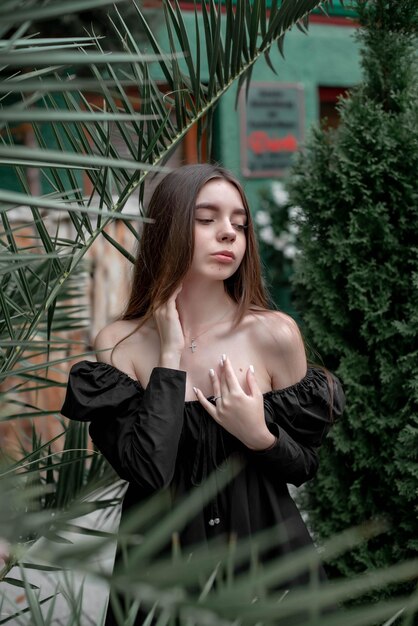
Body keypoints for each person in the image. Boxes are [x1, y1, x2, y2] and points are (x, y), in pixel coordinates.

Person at [61, 163, 345, 624]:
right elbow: (148, 470)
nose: (229, 234)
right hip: (160, 574)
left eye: (240, 223)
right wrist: (169, 357)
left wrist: (259, 435)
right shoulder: (120, 344)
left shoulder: (274, 335)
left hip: (267, 566)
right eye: (207, 218)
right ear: (169, 227)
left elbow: (304, 466)